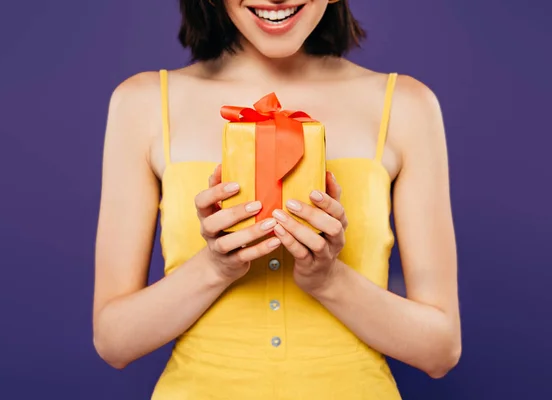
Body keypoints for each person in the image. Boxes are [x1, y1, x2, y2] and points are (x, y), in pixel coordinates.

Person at [92, 0, 461, 398]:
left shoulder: (406, 105)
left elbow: (439, 351)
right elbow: (114, 342)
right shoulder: (143, 102)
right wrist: (214, 268)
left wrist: (329, 279)